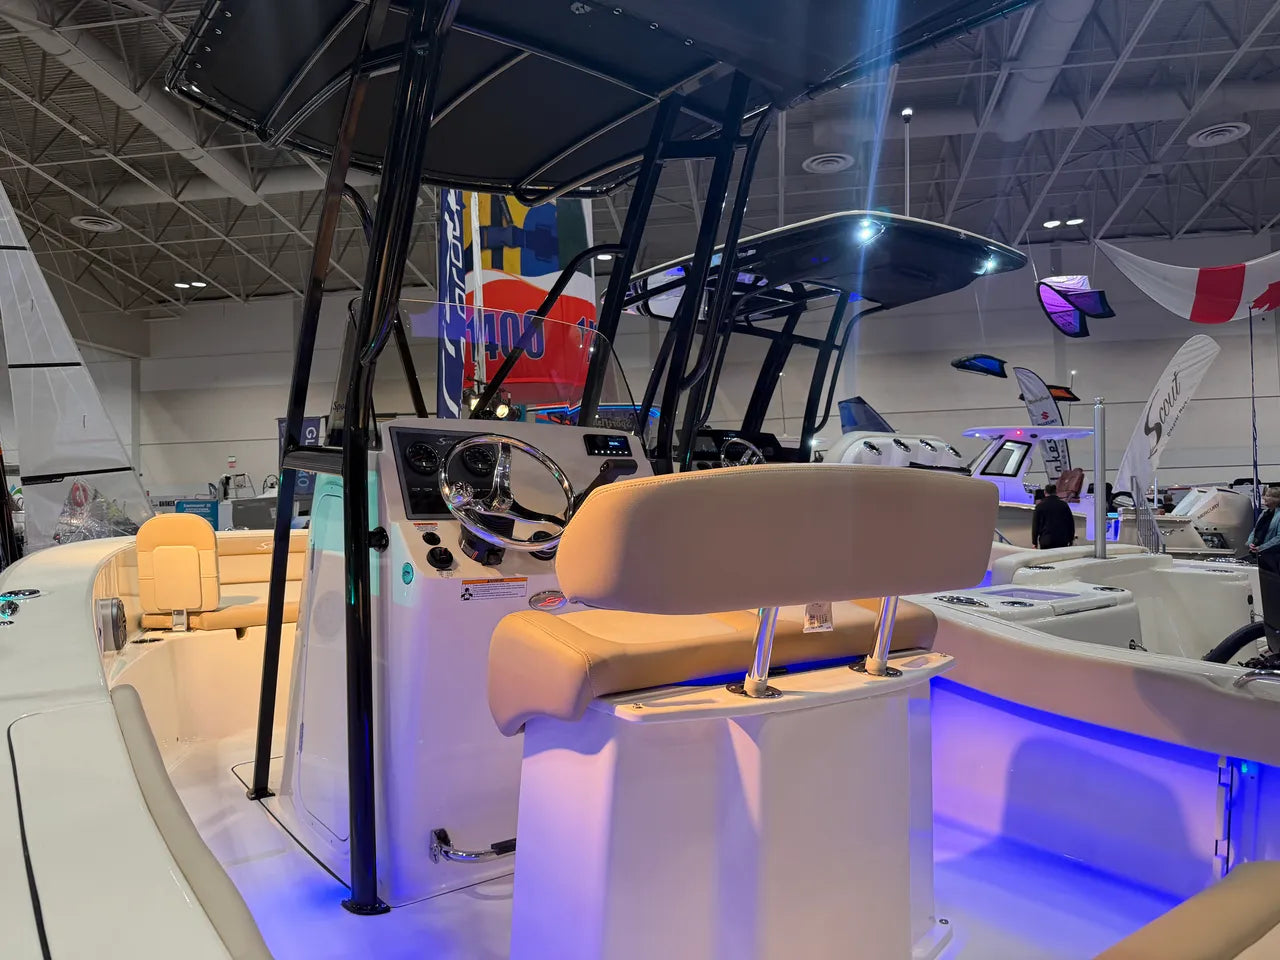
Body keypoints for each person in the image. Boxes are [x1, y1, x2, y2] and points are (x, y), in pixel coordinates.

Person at [1031, 482, 1076, 549]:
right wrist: (1071, 539)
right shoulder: (1063, 505)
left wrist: (1034, 542)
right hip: (1062, 540)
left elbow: (1035, 526)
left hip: (1046, 540)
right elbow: (1070, 523)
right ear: (1056, 492)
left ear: (1045, 492)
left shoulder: (1040, 506)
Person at [1248, 486, 1280, 576]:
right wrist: (1250, 543)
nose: (1264, 498)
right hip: (1259, 555)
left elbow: (1279, 538)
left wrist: (1261, 548)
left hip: (1274, 558)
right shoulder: (1263, 513)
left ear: (1277, 499)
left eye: (1268, 496)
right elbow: (1255, 530)